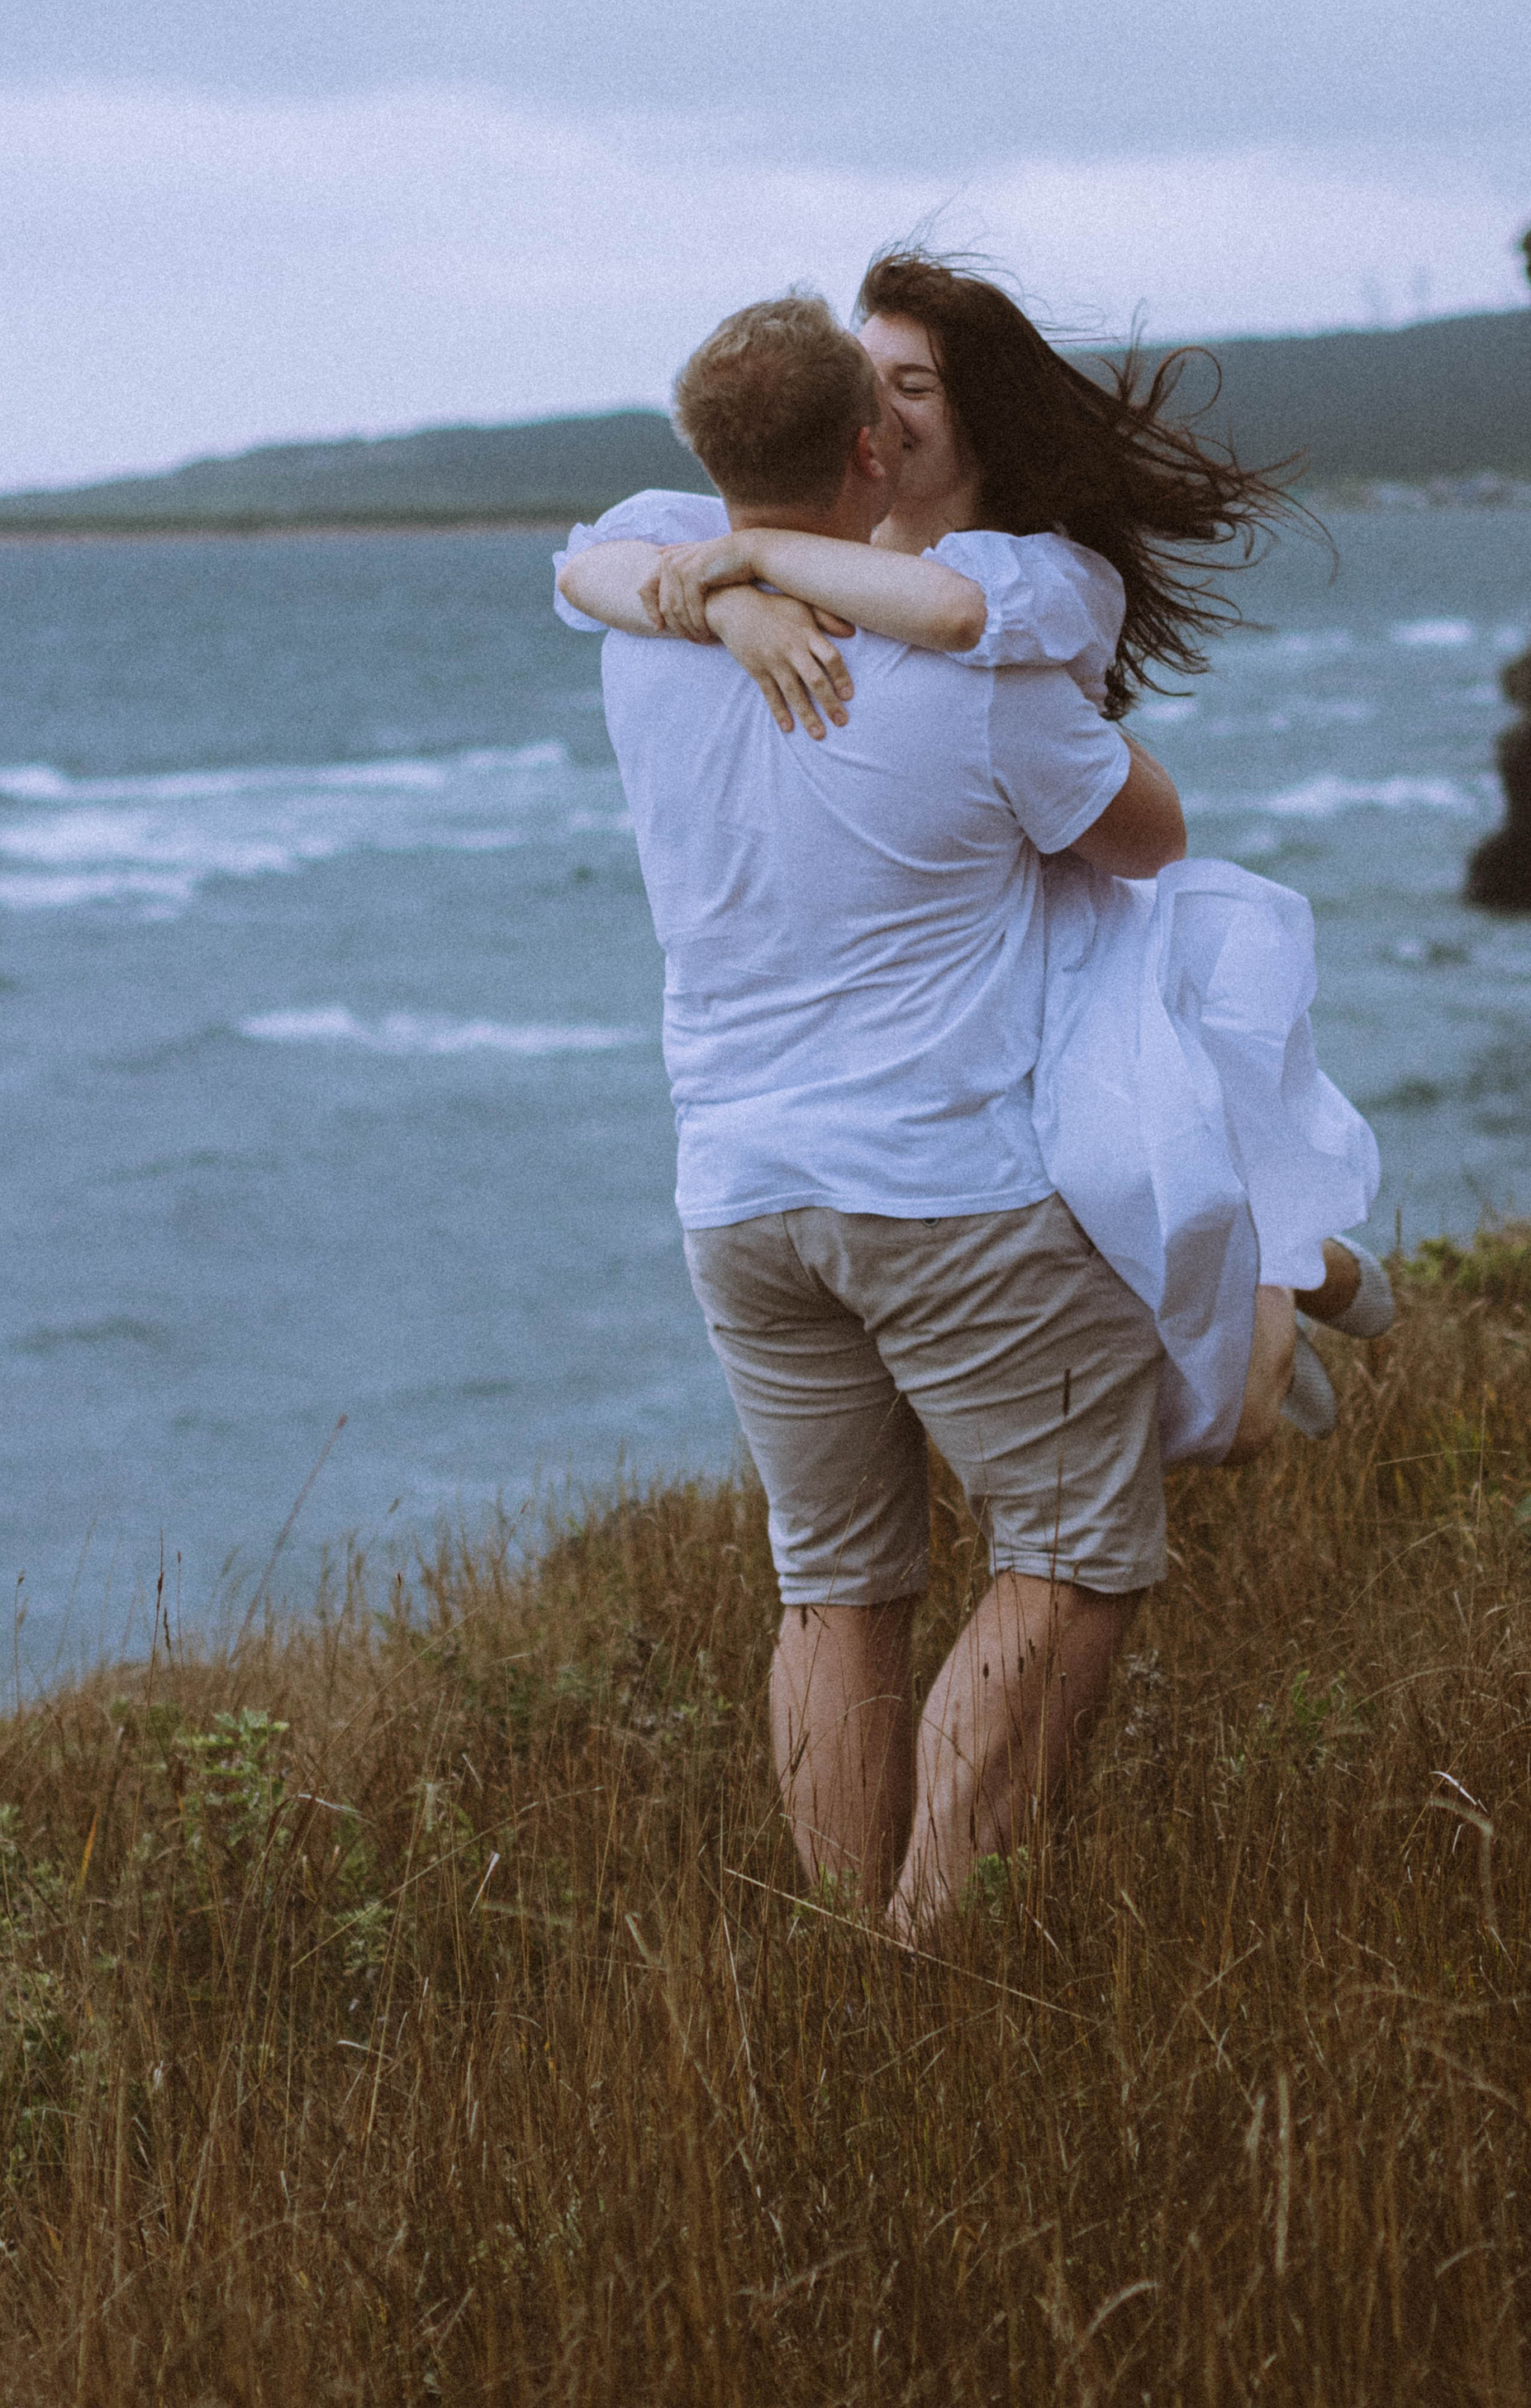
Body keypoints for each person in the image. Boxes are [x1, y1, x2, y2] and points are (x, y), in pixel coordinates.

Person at [555, 295, 1185, 1934]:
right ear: (860, 446)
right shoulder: (983, 679)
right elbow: (1142, 845)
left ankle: (845, 1962)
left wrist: (731, 595)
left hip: (735, 1197)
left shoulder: (648, 626)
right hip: (935, 1190)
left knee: (833, 1589)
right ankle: (932, 1955)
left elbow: (595, 560)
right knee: (1068, 1552)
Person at [565, 252, 1394, 1474]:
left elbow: (958, 627)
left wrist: (759, 568)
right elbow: (585, 563)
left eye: (917, 384)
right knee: (1112, 1264)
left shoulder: (1025, 576)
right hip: (940, 994)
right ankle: (1293, 1261)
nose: (880, 404)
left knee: (1203, 1373)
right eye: (867, 374)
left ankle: (1287, 1268)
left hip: (1054, 940)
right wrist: (728, 600)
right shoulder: (724, 545)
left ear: (979, 422)